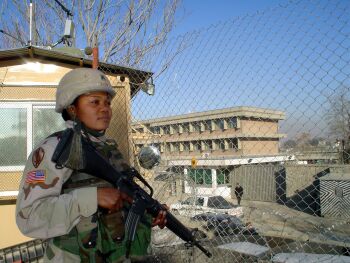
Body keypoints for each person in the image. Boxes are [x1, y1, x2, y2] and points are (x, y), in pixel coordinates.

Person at [16, 68, 166, 262]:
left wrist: (147, 213)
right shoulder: (56, 149)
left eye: (108, 103)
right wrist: (92, 197)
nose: (105, 108)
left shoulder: (109, 149)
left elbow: (119, 204)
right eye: (95, 102)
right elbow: (29, 217)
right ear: (72, 108)